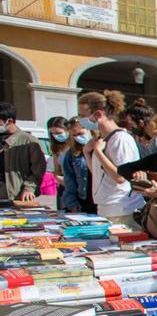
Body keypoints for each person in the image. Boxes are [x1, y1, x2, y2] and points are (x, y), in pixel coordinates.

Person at [77, 90, 144, 226]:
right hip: (106, 207)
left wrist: (98, 152)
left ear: (98, 115)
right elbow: (98, 173)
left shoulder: (121, 139)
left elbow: (120, 177)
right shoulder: (103, 139)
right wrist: (87, 153)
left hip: (121, 208)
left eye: (83, 115)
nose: (80, 119)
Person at [0, 102, 48, 206]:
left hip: (15, 196)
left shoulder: (29, 142)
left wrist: (29, 188)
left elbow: (38, 170)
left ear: (9, 121)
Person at [61, 119, 94, 214]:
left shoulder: (100, 148)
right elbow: (69, 180)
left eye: (80, 133)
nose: (78, 138)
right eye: (74, 135)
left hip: (102, 199)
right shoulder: (72, 154)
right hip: (84, 200)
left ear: (89, 130)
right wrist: (72, 203)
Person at [46, 116, 71, 209]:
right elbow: (56, 169)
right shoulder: (56, 148)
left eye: (59, 133)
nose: (56, 136)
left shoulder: (75, 145)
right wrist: (57, 176)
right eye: (53, 133)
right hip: (63, 185)